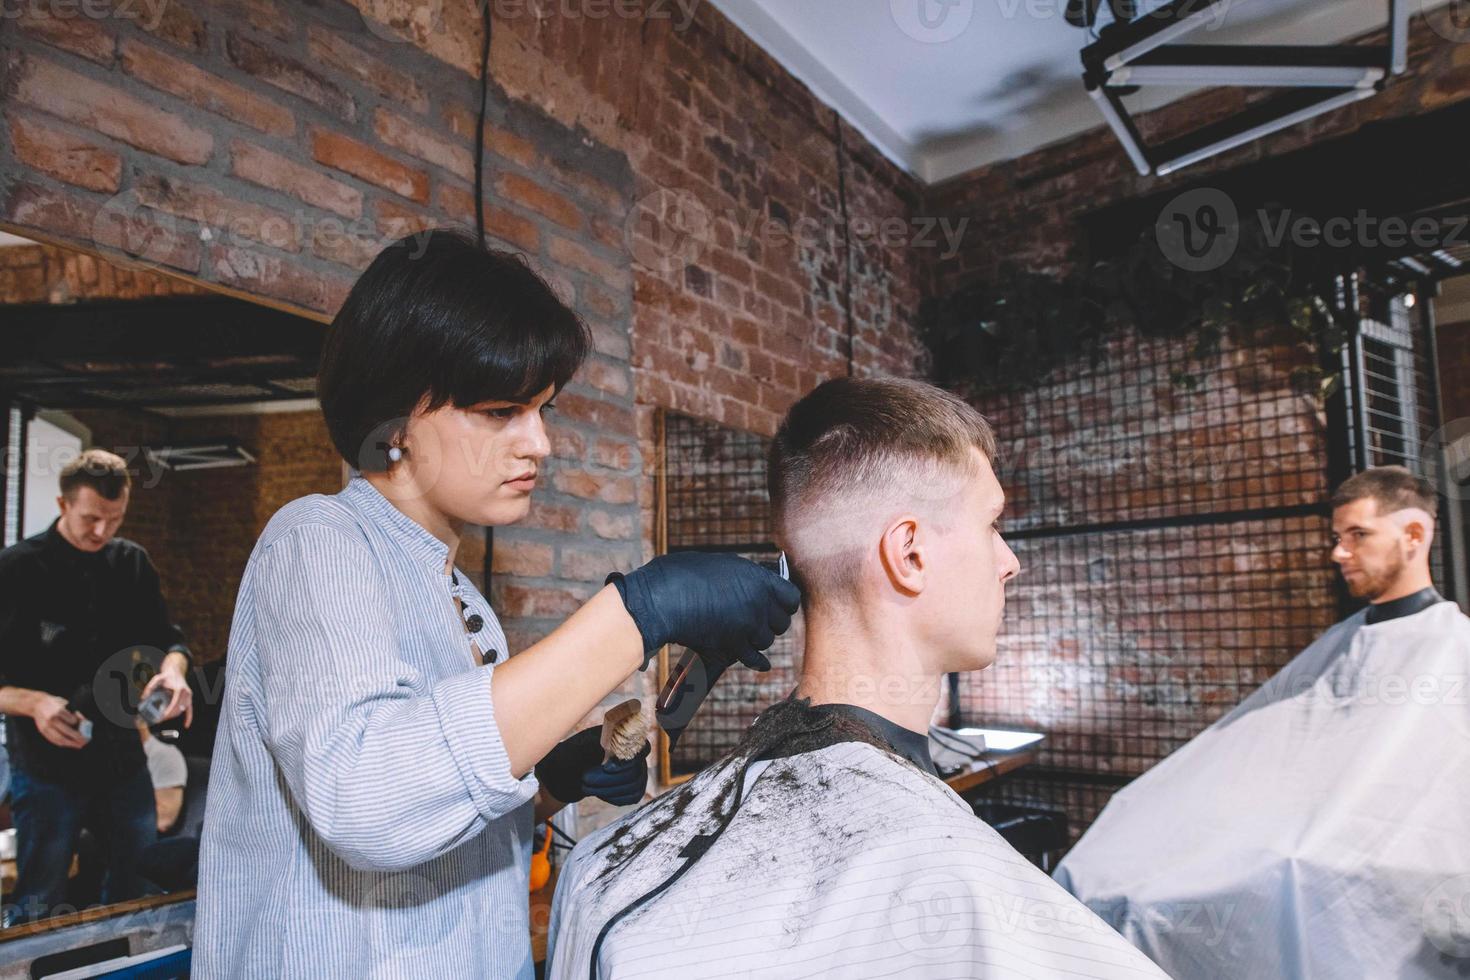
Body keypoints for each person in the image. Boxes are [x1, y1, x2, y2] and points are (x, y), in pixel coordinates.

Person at [193, 231, 799, 977]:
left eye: (542, 409)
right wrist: (639, 613)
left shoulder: (462, 601)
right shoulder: (318, 541)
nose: (540, 442)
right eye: (501, 410)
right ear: (397, 423)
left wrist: (547, 788)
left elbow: (440, 832)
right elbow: (368, 802)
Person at [545, 377, 1169, 979]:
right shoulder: (951, 876)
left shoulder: (598, 867)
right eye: (992, 524)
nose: (1010, 561)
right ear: (909, 554)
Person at [1054, 466, 1470, 978]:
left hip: (1349, 856)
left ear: (1414, 535)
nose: (1339, 553)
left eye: (1358, 536)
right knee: (1118, 857)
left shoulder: (1454, 651)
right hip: (1283, 825)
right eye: (1338, 538)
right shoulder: (1344, 640)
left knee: (1259, 878)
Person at [0, 450, 195, 926]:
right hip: (45, 764)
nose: (102, 532)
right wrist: (35, 703)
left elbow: (169, 641)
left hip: (121, 757)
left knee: (137, 886)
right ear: (63, 505)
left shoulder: (131, 563)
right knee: (40, 897)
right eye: (91, 518)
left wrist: (173, 671)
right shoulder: (16, 570)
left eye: (115, 519)